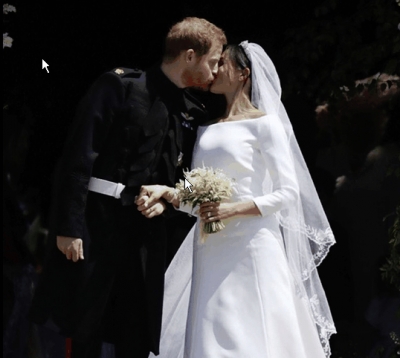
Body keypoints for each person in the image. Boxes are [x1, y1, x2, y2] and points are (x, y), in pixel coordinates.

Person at [28, 17, 226, 358]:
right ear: (190, 55)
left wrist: (166, 202)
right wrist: (67, 226)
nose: (214, 72)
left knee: (135, 330)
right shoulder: (120, 86)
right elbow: (78, 156)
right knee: (85, 327)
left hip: (146, 235)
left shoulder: (190, 112)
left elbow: (183, 176)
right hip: (96, 224)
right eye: (212, 62)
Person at [137, 42, 337, 357]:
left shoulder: (264, 125)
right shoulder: (206, 129)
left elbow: (287, 192)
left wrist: (233, 209)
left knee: (254, 331)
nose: (214, 71)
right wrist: (168, 192)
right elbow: (195, 195)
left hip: (252, 243)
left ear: (243, 74)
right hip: (210, 245)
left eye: (223, 65)